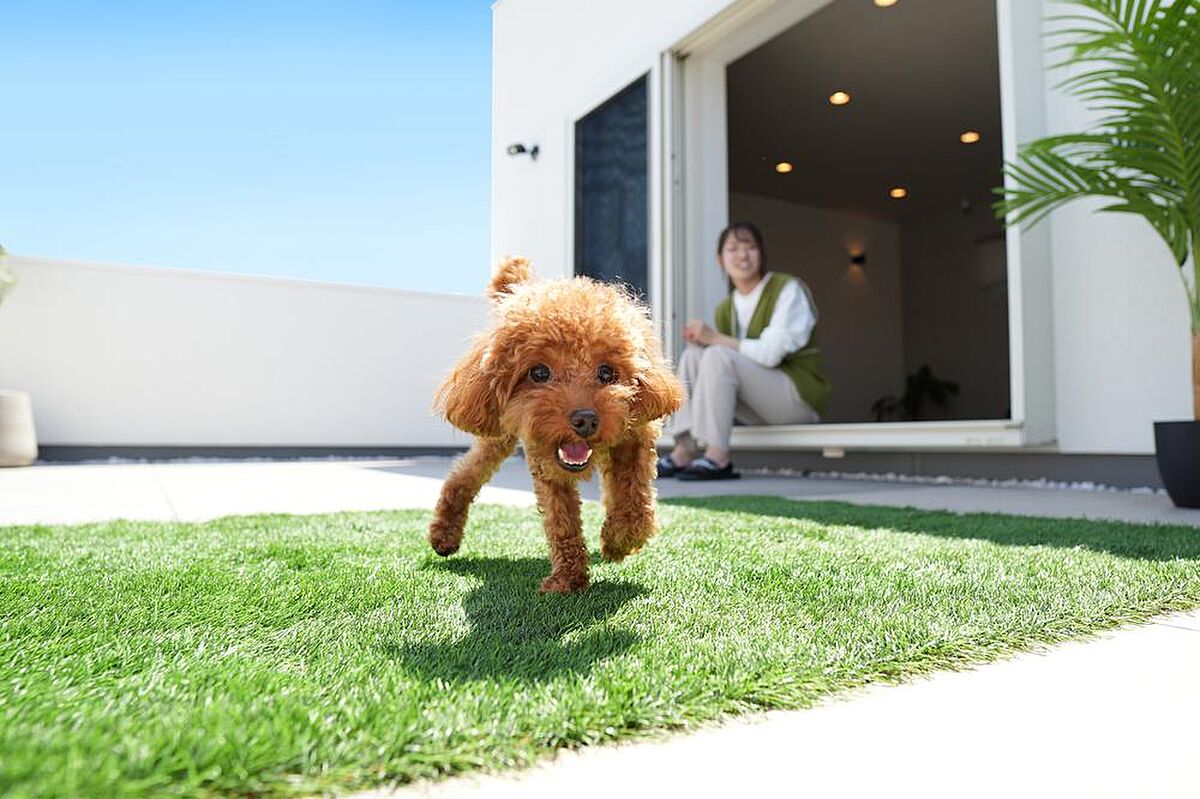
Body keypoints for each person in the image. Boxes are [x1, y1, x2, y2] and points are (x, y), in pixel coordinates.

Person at [658, 222, 831, 480]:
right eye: (733, 249)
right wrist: (705, 341)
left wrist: (715, 339)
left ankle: (718, 457)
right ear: (720, 259)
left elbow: (771, 354)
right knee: (693, 356)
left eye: (750, 247)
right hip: (757, 407)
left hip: (797, 399)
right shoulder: (726, 308)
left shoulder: (788, 289)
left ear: (761, 253)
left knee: (717, 354)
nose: (742, 255)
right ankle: (685, 449)